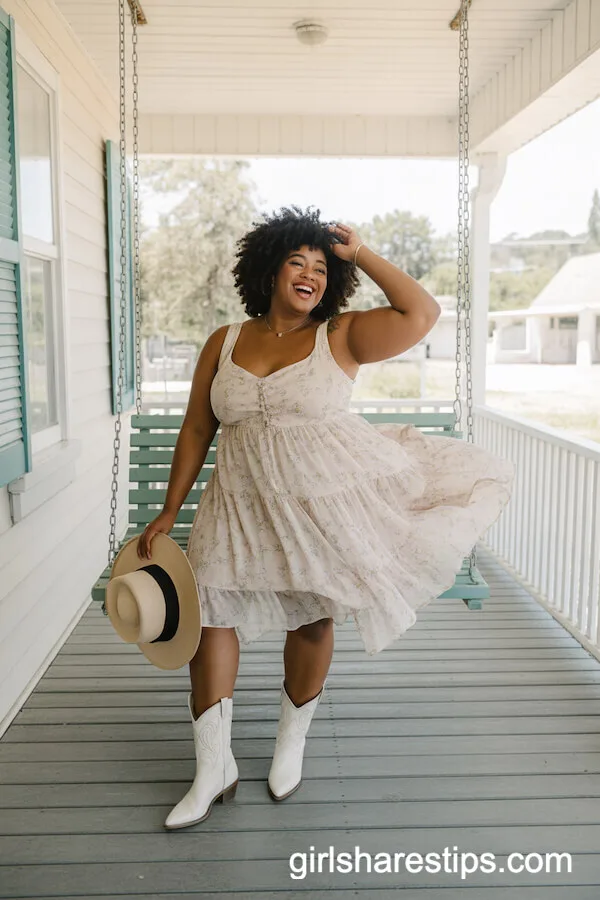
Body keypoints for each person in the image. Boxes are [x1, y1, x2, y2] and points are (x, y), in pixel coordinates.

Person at [137, 206, 515, 831]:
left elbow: (421, 313)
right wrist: (170, 507)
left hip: (318, 504)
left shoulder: (341, 335)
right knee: (210, 620)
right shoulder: (224, 340)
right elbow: (199, 425)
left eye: (320, 266)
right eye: (297, 261)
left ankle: (291, 745)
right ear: (269, 269)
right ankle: (213, 769)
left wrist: (359, 254)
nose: (309, 273)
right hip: (236, 501)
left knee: (312, 617)